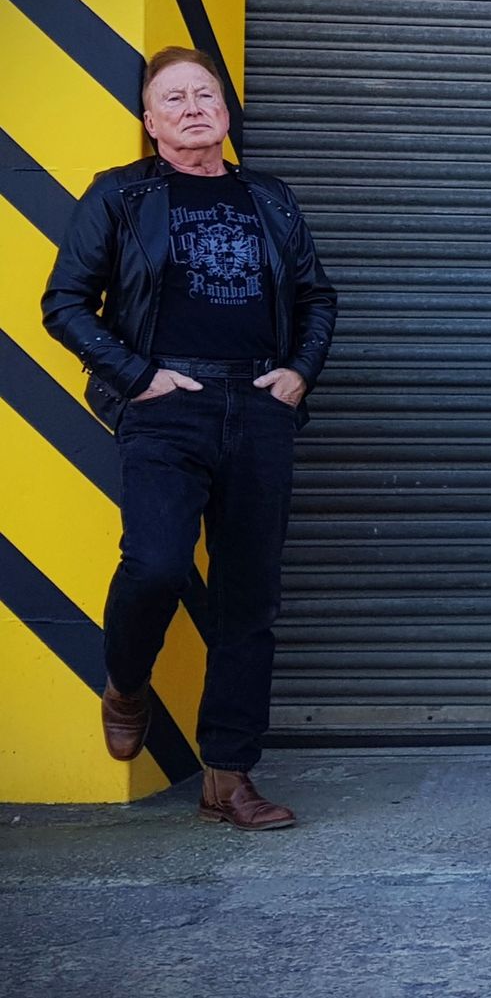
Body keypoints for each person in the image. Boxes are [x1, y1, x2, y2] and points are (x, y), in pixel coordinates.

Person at [41, 46, 337, 827]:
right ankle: (126, 682)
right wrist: (139, 376)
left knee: (249, 598)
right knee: (157, 565)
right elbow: (65, 301)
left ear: (226, 112)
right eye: (173, 98)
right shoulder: (119, 195)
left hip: (261, 402)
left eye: (205, 94)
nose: (194, 107)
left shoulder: (268, 196)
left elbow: (316, 296)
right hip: (167, 404)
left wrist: (299, 373)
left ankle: (227, 777)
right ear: (150, 120)